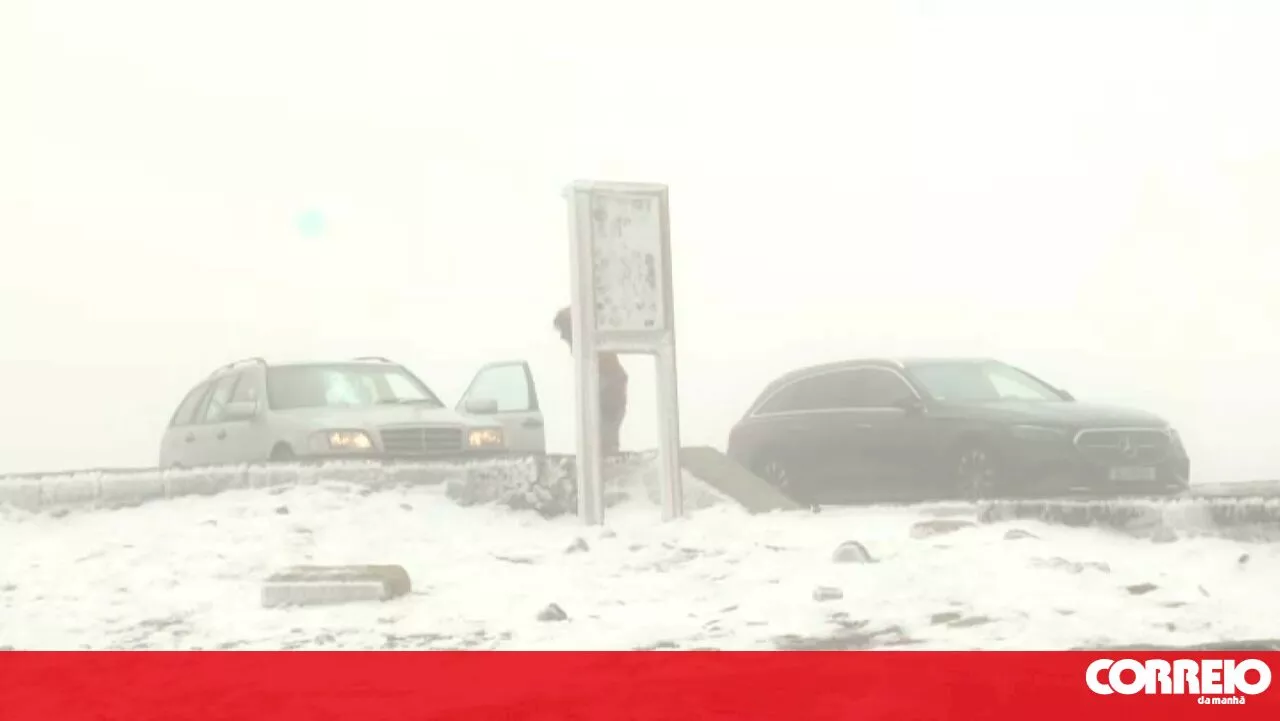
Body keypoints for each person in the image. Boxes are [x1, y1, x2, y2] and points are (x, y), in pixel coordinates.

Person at [554, 306, 628, 455]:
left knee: (602, 440)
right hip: (607, 386)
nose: (562, 336)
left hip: (608, 387)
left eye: (563, 331)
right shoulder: (590, 347)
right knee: (601, 439)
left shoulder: (591, 348)